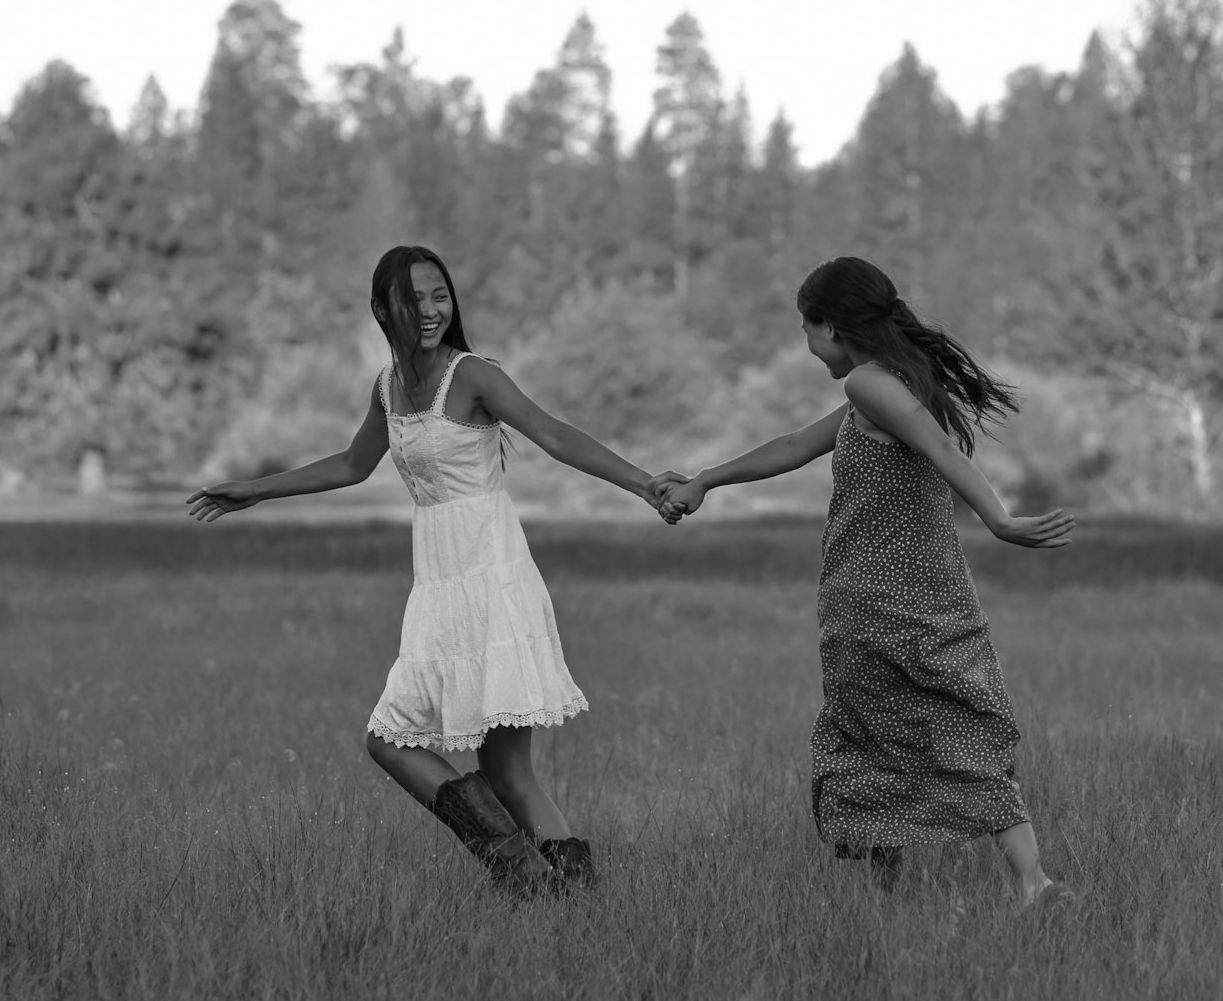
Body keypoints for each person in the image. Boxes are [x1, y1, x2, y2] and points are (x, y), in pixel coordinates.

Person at [188, 245, 677, 896]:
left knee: (494, 769)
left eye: (439, 296)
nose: (429, 310)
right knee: (418, 749)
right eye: (412, 299)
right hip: (439, 589)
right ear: (380, 310)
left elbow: (554, 434)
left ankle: (540, 884)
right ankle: (535, 879)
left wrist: (645, 485)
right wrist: (255, 490)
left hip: (493, 578)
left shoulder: (471, 374)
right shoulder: (387, 386)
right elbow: (351, 464)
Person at [657, 256, 1075, 909]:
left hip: (876, 602)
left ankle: (939, 891)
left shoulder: (869, 385)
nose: (806, 342)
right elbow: (793, 445)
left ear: (830, 325)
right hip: (931, 595)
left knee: (874, 739)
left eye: (806, 328)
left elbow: (940, 450)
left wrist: (998, 520)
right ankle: (1022, 883)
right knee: (960, 727)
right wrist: (705, 479)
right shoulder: (894, 382)